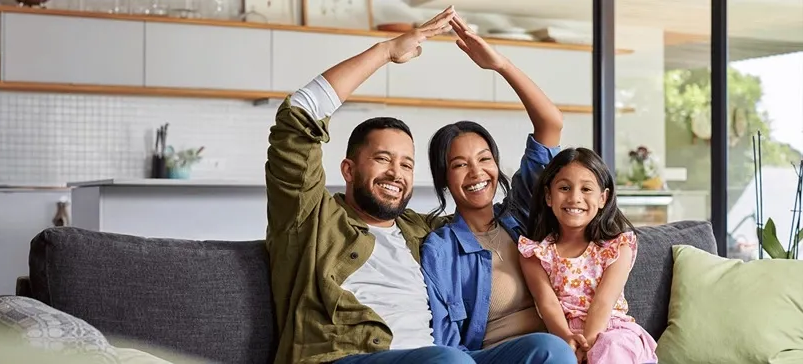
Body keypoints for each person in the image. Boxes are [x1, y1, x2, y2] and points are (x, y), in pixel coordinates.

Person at [264, 6, 573, 364]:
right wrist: (385, 51)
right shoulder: (310, 218)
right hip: (345, 355)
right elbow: (298, 118)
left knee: (548, 350)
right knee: (450, 361)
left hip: (438, 357)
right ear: (348, 169)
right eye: (382, 159)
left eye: (406, 164)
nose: (396, 173)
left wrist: (499, 65)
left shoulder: (424, 232)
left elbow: (546, 138)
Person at [418, 12, 576, 364]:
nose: (477, 172)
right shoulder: (441, 249)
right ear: (444, 178)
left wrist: (500, 64)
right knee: (552, 349)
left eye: (484, 159)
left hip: (558, 347)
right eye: (459, 164)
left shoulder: (521, 213)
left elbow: (550, 122)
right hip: (495, 357)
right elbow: (445, 341)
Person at [516, 148, 658, 364]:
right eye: (564, 188)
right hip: (563, 336)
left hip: (612, 331)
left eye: (586, 189)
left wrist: (588, 346)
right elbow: (547, 304)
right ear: (548, 196)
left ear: (603, 198)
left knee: (609, 347)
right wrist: (567, 339)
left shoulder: (618, 248)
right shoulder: (534, 253)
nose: (574, 198)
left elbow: (603, 302)